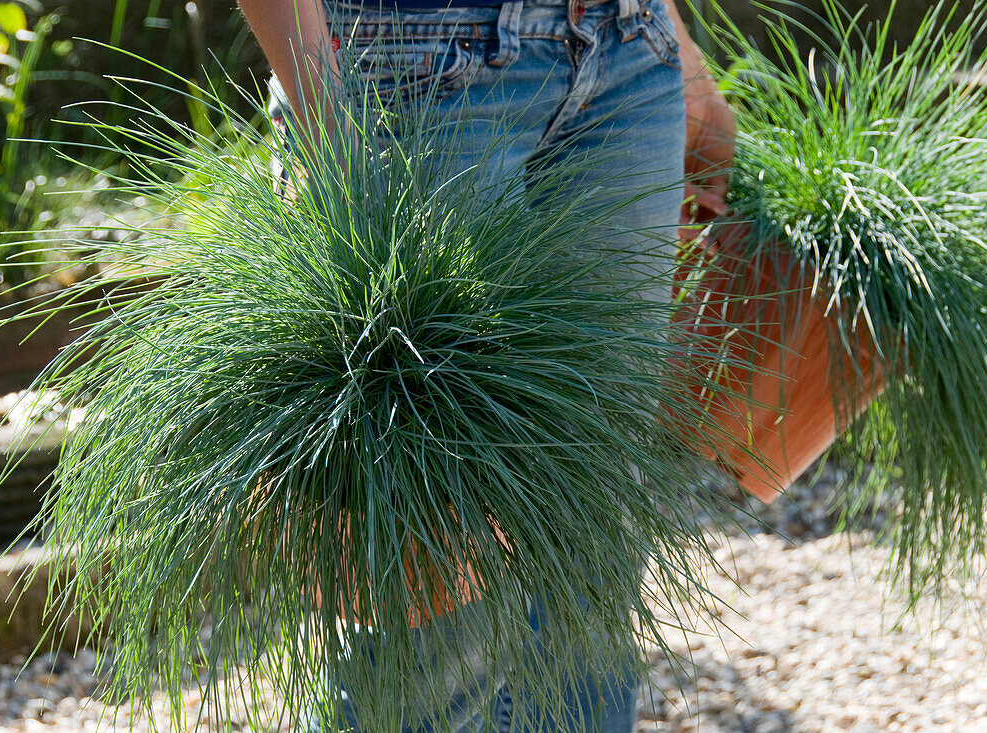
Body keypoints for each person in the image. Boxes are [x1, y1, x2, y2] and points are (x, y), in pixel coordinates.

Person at [236, 0, 734, 729]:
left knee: (589, 572)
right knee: (427, 612)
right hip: (412, 61)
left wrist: (684, 60)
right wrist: (319, 113)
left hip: (628, 54)